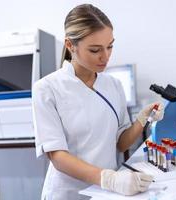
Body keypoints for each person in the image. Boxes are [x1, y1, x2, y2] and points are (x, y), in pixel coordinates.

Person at [32, 4, 164, 200]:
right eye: (95, 50)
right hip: (69, 193)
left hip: (107, 192)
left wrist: (142, 119)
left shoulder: (113, 85)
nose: (106, 56)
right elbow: (58, 157)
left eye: (110, 46)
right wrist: (109, 179)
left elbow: (120, 144)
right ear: (70, 45)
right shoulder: (47, 88)